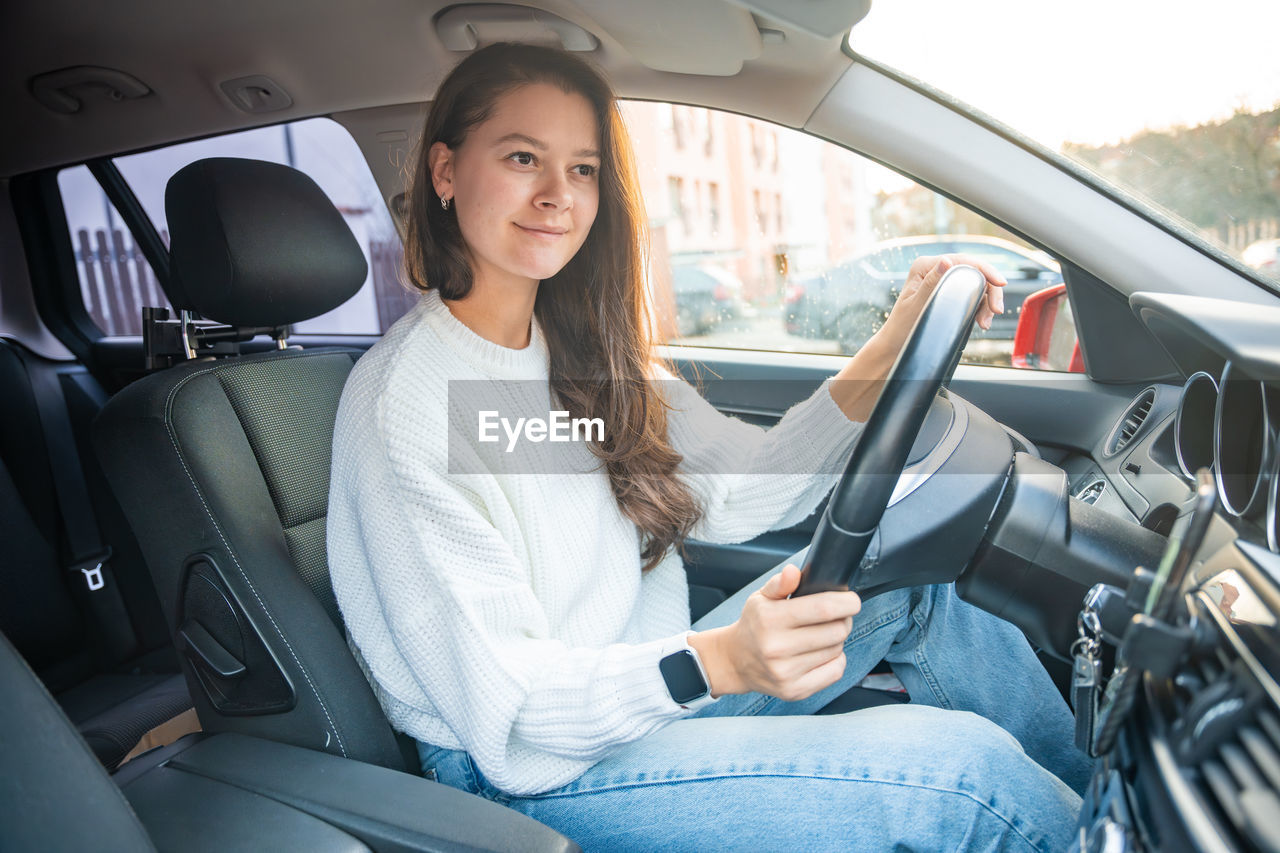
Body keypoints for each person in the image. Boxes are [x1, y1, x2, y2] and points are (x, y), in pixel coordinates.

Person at [327, 42, 1090, 852]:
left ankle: (1101, 811)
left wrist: (898, 337)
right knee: (959, 777)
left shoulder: (580, 352)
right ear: (445, 171)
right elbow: (513, 708)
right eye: (523, 157)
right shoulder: (404, 405)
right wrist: (720, 660)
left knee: (925, 581)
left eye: (583, 169)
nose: (558, 195)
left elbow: (746, 486)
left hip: (638, 695)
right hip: (523, 769)